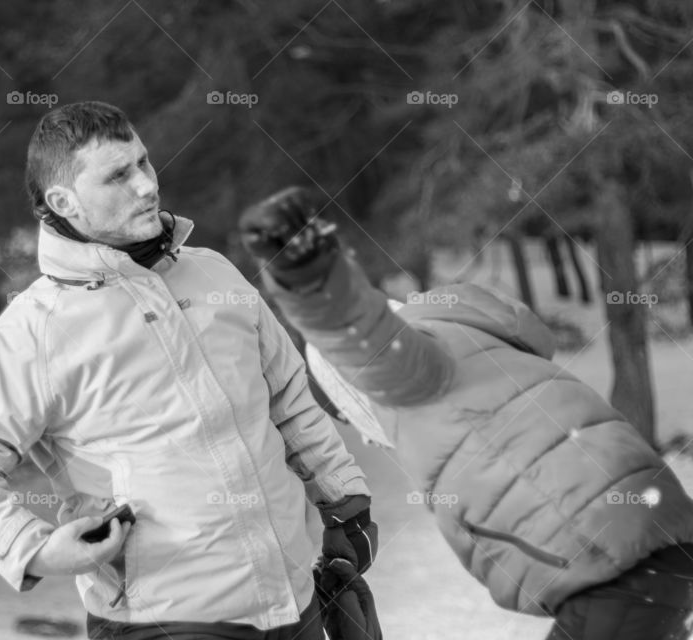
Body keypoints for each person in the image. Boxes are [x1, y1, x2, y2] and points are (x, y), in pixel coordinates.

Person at [0, 101, 377, 639]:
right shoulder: (35, 330)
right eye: (117, 175)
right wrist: (32, 548)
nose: (146, 185)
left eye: (143, 162)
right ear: (64, 201)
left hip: (292, 603)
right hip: (162, 619)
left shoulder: (213, 274)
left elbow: (289, 402)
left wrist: (344, 503)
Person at [239, 185, 693, 640]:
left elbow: (363, 337)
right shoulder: (482, 348)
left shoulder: (418, 379)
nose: (370, 436)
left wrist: (309, 275)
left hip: (614, 564)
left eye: (352, 416)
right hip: (651, 543)